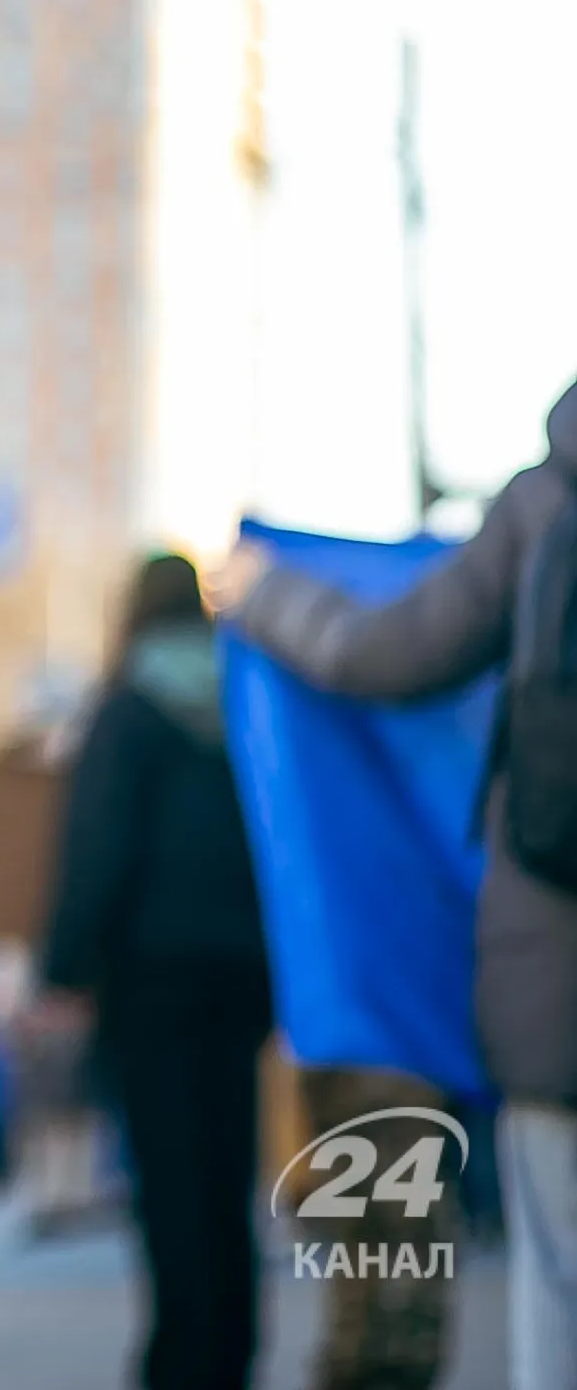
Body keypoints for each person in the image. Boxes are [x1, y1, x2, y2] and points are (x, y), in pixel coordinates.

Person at [226, 379, 577, 1390]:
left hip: (554, 988)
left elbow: (379, 652)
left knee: (556, 1299)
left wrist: (260, 589)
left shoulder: (547, 501)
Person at [42, 553, 270, 1390]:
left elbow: (97, 846)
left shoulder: (128, 710)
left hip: (148, 977)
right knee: (226, 1169)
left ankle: (182, 1358)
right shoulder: (247, 701)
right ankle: (234, 1350)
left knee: (168, 1176)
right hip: (244, 969)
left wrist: (64, 965)